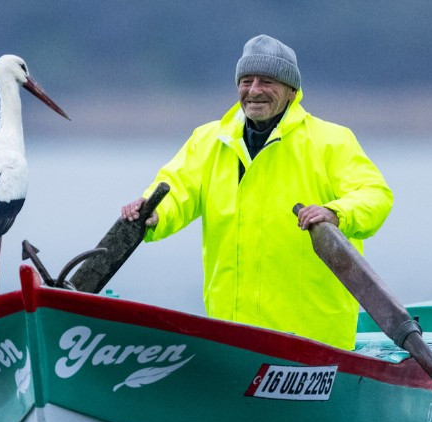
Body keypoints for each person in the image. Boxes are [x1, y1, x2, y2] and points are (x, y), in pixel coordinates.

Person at [121, 34, 392, 350]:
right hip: (232, 338)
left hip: (315, 342)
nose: (254, 90)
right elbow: (177, 188)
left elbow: (375, 195)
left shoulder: (331, 141)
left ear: (292, 91)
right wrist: (154, 212)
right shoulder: (208, 140)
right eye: (246, 80)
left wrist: (336, 213)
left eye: (267, 81)